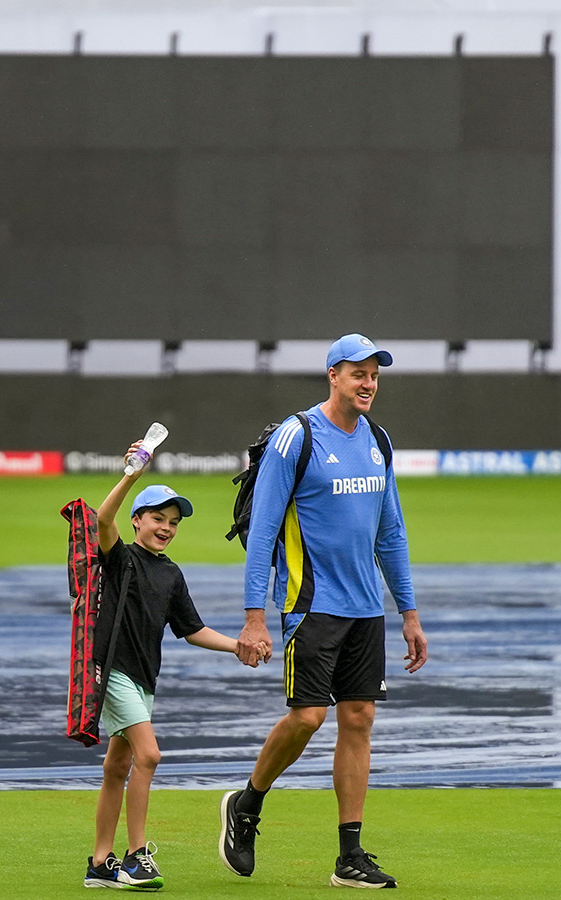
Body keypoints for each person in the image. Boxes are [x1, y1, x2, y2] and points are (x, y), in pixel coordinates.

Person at [219, 333, 429, 889]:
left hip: (366, 610)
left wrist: (407, 611)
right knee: (309, 717)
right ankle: (247, 804)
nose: (368, 384)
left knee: (358, 720)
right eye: (358, 373)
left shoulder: (378, 440)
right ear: (333, 375)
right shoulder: (299, 435)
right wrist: (254, 615)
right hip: (309, 606)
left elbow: (392, 532)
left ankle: (349, 855)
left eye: (375, 375)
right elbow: (263, 529)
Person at [85, 439, 264, 891]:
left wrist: (236, 646)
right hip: (113, 673)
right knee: (149, 755)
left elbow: (192, 630)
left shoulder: (171, 574)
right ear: (137, 521)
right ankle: (135, 857)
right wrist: (131, 474)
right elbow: (102, 519)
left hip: (144, 680)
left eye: (173, 522)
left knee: (116, 767)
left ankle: (100, 863)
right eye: (157, 519)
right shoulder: (119, 558)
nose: (166, 528)